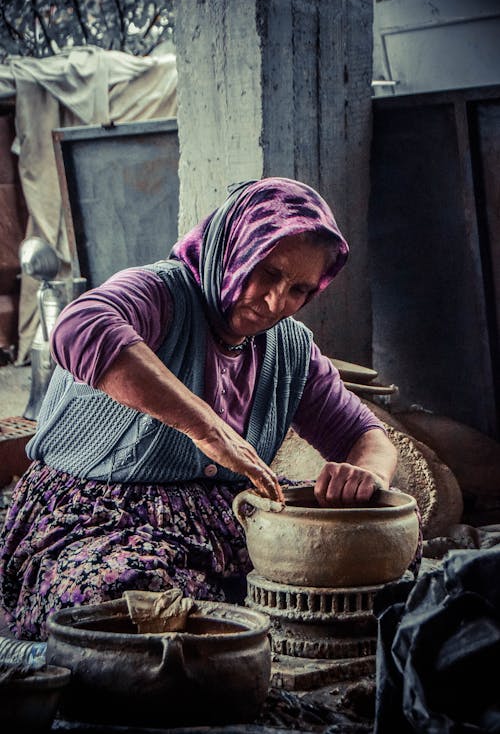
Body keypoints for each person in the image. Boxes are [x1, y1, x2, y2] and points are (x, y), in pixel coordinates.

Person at [0, 177, 398, 641]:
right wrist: (207, 428)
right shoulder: (159, 292)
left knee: (376, 554)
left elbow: (365, 436)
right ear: (234, 248)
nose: (276, 303)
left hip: (218, 514)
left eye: (299, 290)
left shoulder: (290, 348)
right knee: (127, 600)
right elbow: (79, 327)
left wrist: (366, 476)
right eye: (267, 273)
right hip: (96, 511)